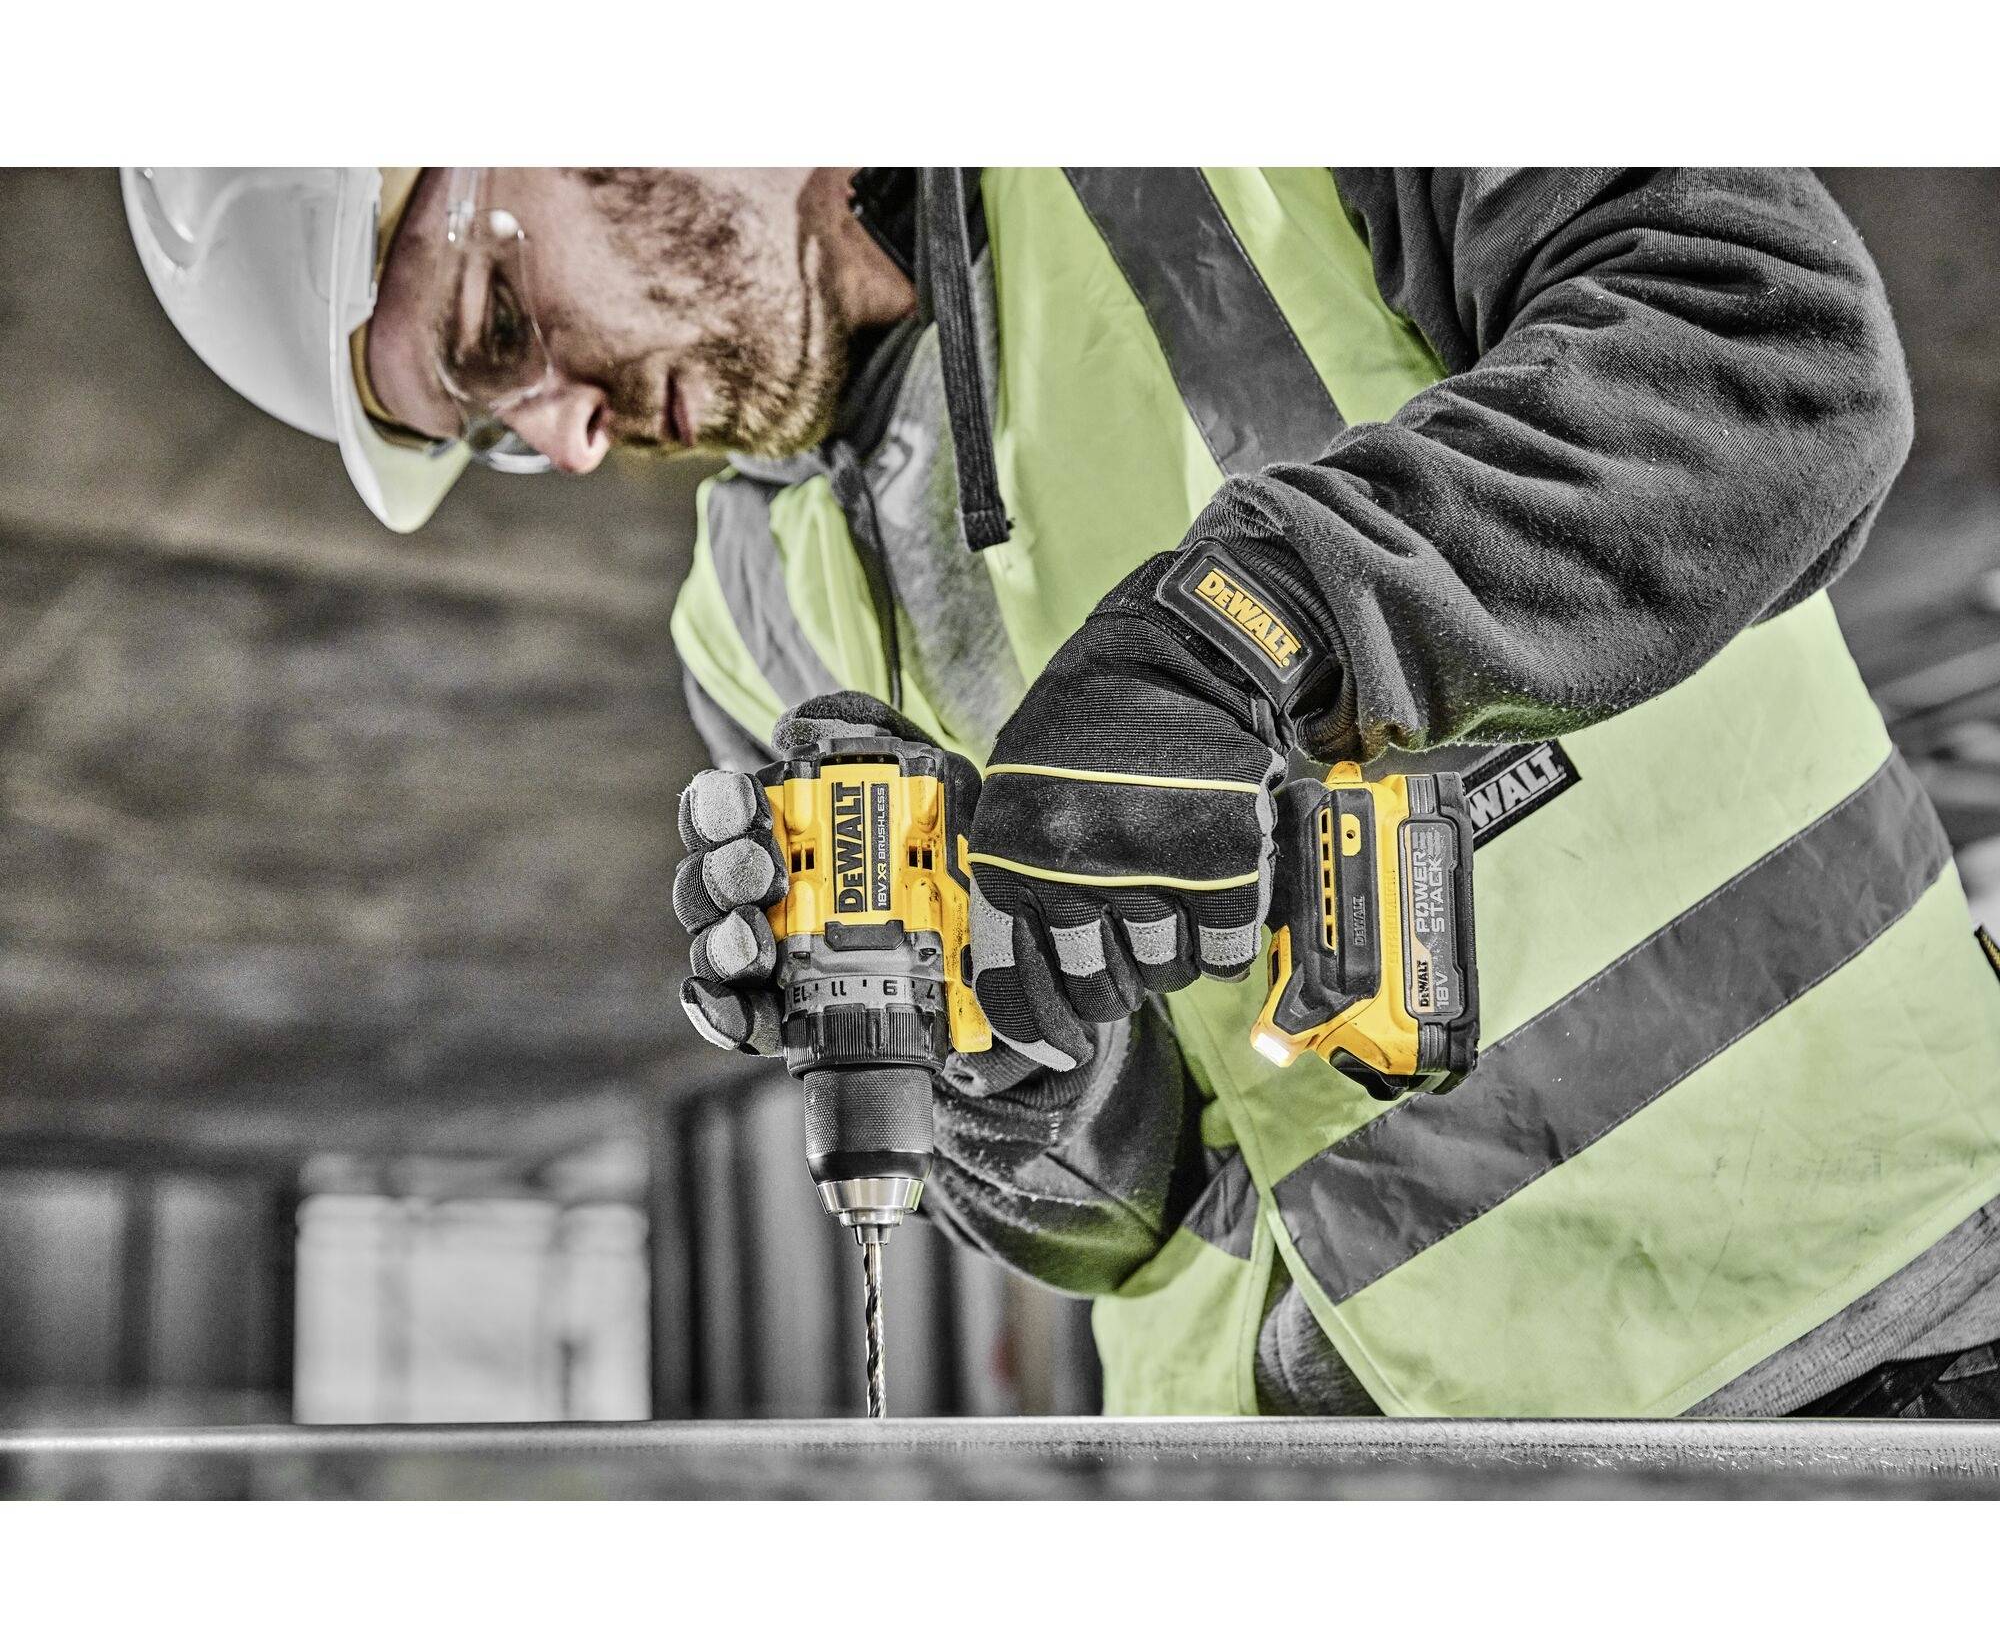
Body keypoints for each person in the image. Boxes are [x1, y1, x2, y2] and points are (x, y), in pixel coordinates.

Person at [126, 166, 2000, 1418]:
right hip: (1299, 1507)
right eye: (491, 443)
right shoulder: (746, 620)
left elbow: (1770, 349)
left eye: (494, 337)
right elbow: (1113, 1220)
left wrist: (1257, 625)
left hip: (1847, 1334)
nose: (565, 430)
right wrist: (987, 1071)